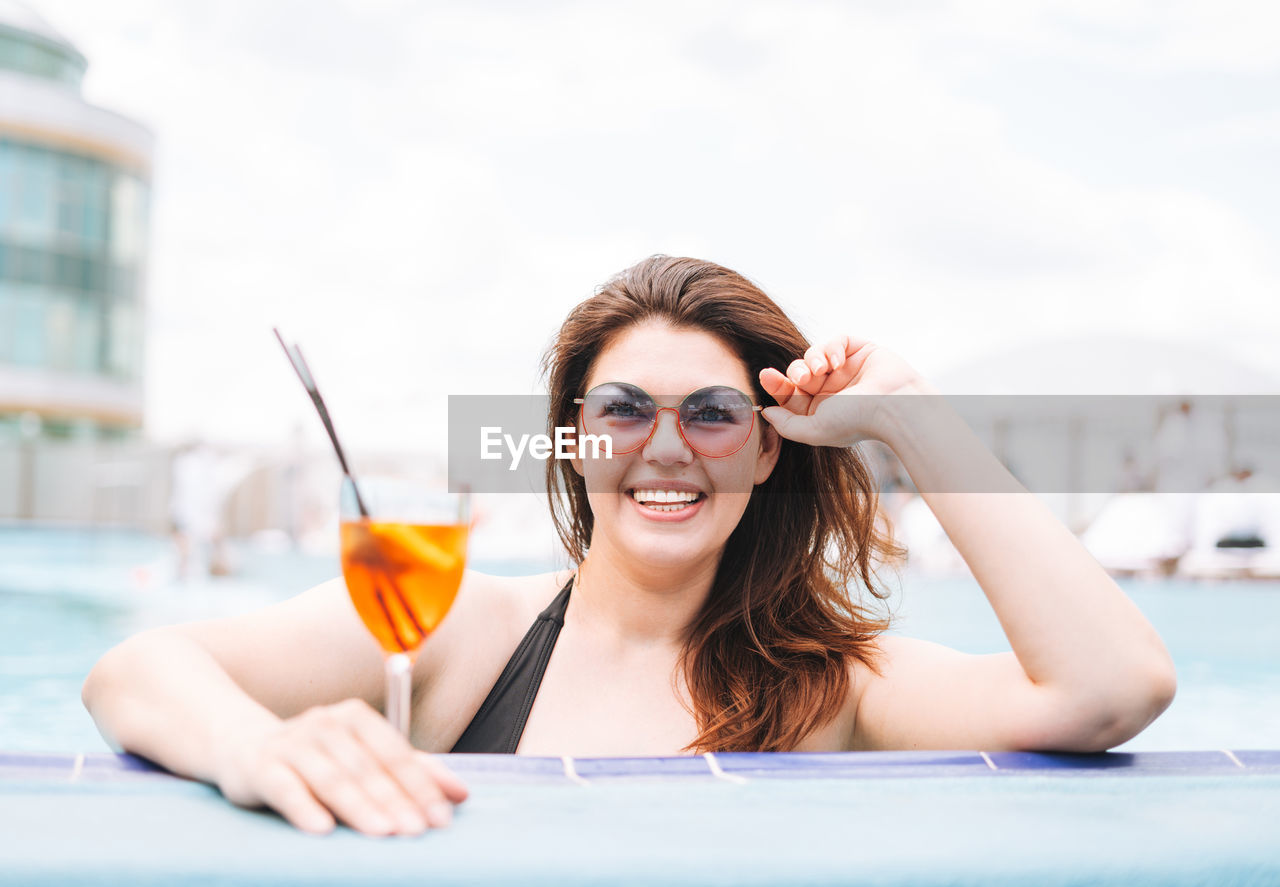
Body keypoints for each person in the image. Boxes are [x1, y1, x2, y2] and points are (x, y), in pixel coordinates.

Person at [83, 256, 1177, 837]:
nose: (665, 449)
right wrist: (254, 747)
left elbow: (1109, 687)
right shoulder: (469, 628)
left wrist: (909, 413)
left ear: (764, 451)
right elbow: (136, 669)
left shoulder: (829, 687)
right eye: (621, 410)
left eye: (710, 412)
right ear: (570, 441)